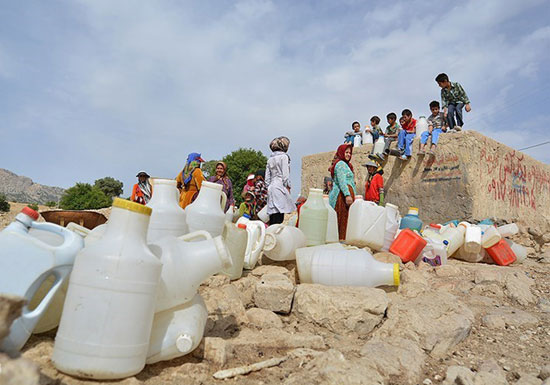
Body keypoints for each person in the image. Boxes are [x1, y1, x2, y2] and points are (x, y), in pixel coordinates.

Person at [328, 143, 356, 240]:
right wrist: (347, 195)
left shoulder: (346, 165)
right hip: (341, 196)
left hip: (344, 195)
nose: (348, 154)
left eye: (350, 153)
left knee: (345, 220)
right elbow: (341, 181)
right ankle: (340, 241)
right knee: (342, 220)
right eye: (346, 152)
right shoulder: (340, 165)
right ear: (341, 152)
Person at [265, 136, 294, 225]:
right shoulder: (284, 157)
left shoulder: (270, 159)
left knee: (273, 214)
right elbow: (285, 175)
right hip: (280, 186)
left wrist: (269, 187)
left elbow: (267, 178)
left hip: (271, 187)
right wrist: (287, 187)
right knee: (280, 214)